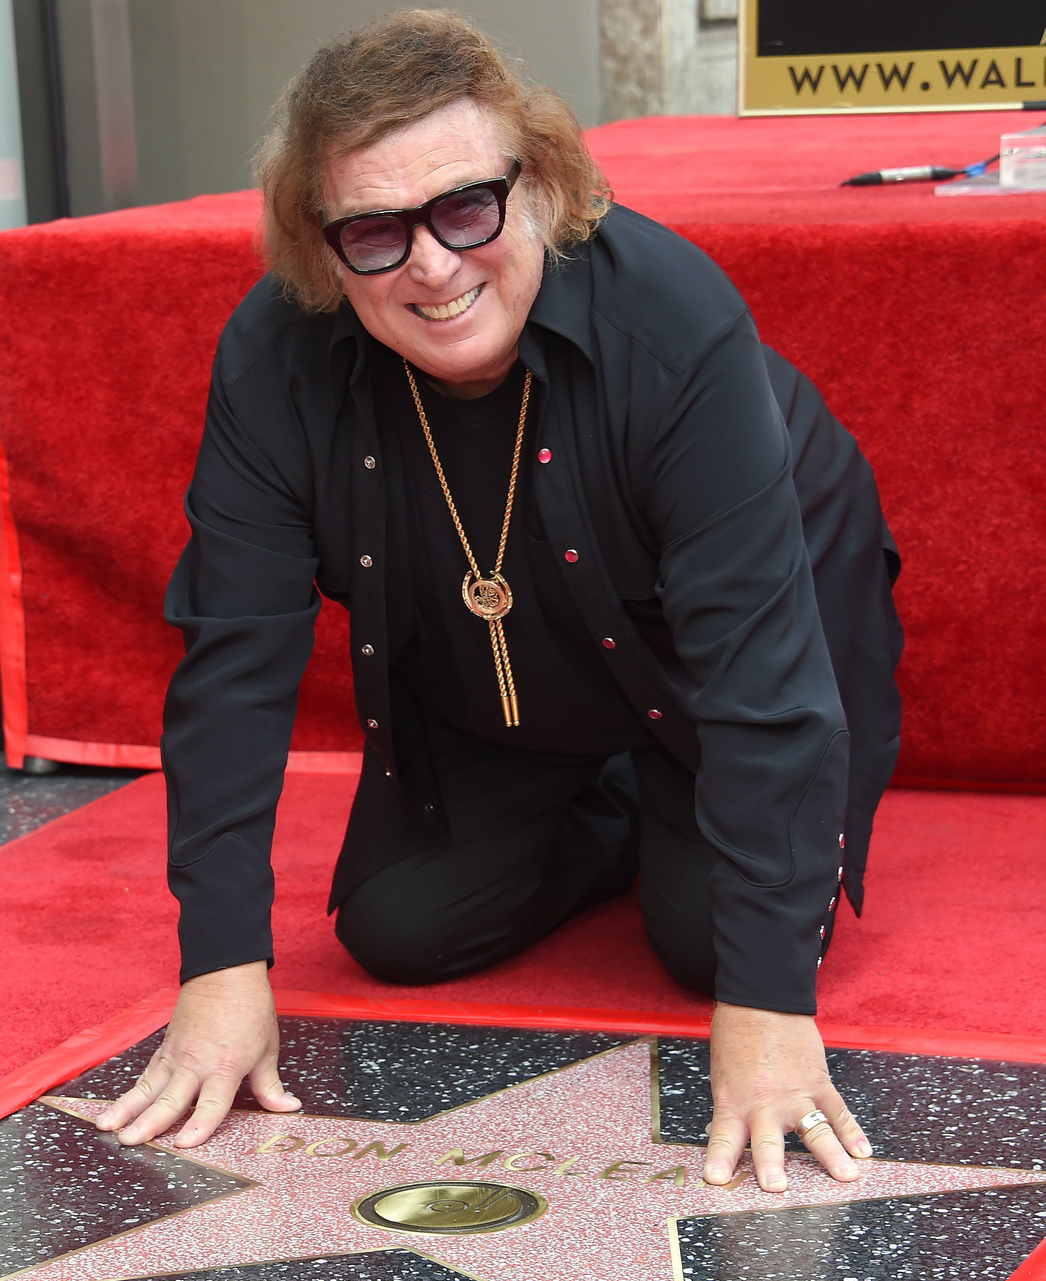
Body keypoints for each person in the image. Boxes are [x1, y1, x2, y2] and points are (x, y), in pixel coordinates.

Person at [91, 9, 904, 1195]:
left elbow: (761, 677)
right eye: (372, 230)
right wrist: (218, 968)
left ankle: (672, 796)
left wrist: (770, 1005)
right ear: (322, 250)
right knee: (401, 929)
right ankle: (624, 800)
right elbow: (232, 665)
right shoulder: (273, 359)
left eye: (465, 207)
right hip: (512, 663)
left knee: (710, 947)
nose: (430, 263)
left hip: (727, 641)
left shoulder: (671, 320)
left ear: (542, 188)